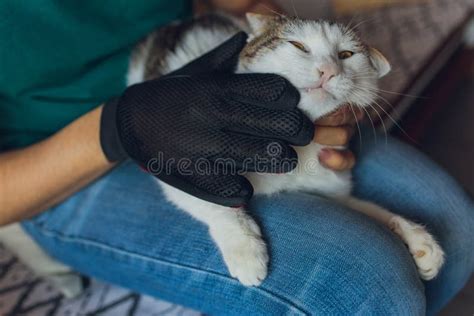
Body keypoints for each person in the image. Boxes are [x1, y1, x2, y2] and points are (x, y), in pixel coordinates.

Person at [0, 0, 472, 315]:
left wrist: (269, 21)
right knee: (371, 283)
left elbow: (237, 9)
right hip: (57, 169)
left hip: (210, 69)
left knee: (455, 226)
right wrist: (118, 126)